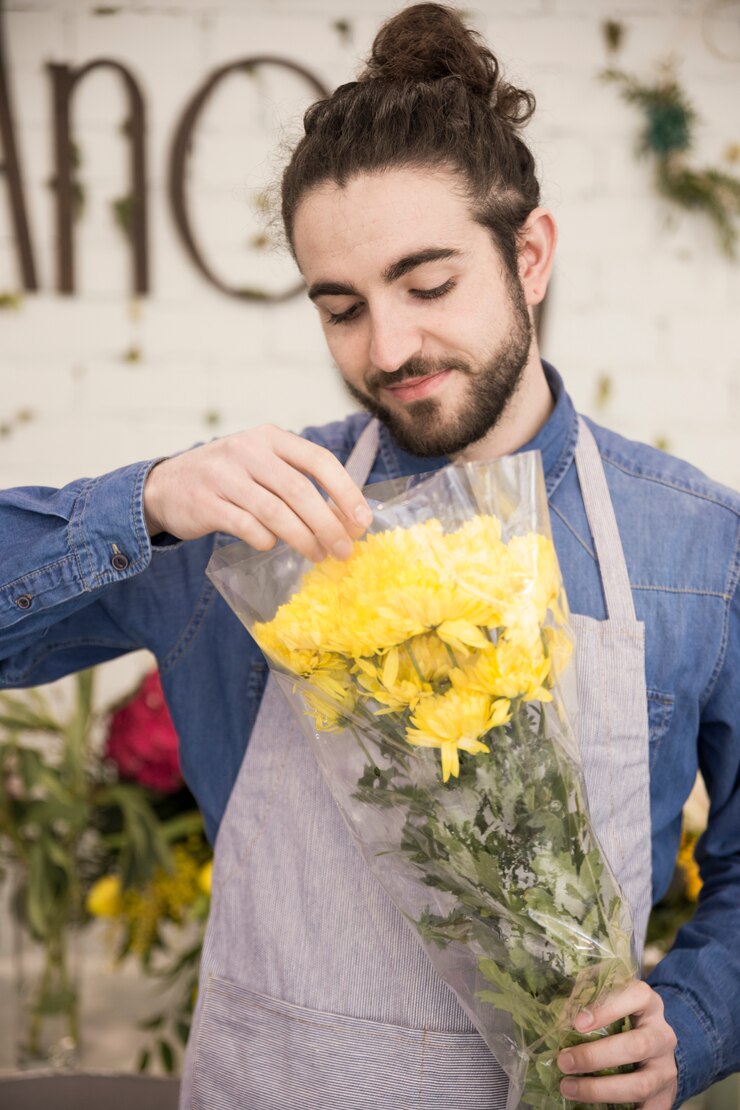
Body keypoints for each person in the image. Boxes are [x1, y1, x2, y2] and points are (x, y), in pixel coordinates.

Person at [1, 4, 738, 1106]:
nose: (386, 348)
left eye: (427, 285)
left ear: (527, 255)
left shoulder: (693, 544)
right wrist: (145, 502)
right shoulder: (241, 520)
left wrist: (688, 1021)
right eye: (339, 307)